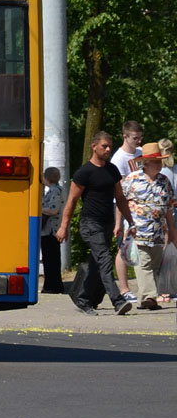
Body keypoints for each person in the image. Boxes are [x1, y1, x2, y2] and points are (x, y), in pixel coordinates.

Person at [57, 131, 135, 315]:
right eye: (104, 146)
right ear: (94, 146)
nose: (108, 149)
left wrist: (130, 221)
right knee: (105, 260)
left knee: (96, 263)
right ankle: (118, 301)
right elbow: (72, 201)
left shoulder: (112, 170)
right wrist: (63, 226)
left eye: (109, 146)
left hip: (107, 223)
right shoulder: (84, 173)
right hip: (90, 223)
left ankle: (83, 299)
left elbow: (120, 198)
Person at [120, 143, 177, 309]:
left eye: (160, 161)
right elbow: (121, 203)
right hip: (137, 230)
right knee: (143, 263)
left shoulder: (164, 181)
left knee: (154, 265)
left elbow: (168, 208)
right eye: (156, 162)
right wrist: (119, 224)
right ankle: (150, 297)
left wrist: (172, 231)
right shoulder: (132, 179)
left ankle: (143, 300)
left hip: (159, 231)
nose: (159, 165)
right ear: (145, 163)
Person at [110, 120, 144, 301]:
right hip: (124, 207)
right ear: (125, 136)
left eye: (140, 138)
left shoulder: (141, 153)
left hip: (142, 208)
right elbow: (120, 191)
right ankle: (124, 289)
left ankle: (147, 288)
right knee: (124, 246)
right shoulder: (118, 159)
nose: (138, 141)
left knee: (142, 247)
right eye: (135, 138)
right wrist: (119, 221)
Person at [40, 167, 65, 293]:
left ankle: (52, 286)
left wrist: (38, 210)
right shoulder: (53, 190)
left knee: (51, 259)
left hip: (51, 230)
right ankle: (51, 284)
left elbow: (54, 210)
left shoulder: (55, 191)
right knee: (50, 258)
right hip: (49, 230)